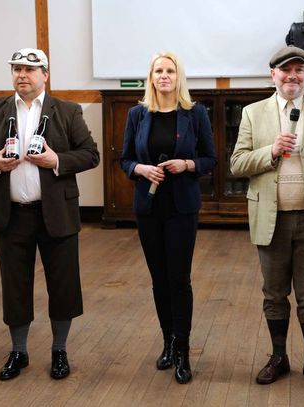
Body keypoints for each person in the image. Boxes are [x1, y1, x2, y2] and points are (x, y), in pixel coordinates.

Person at [0, 48, 99, 381]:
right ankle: (18, 351)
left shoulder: (67, 110)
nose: (21, 75)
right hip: (11, 215)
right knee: (15, 286)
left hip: (57, 213)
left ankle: (59, 350)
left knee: (64, 285)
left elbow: (90, 154)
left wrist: (57, 161)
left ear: (45, 74)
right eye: (16, 69)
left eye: (29, 69)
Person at [230, 46, 304, 391]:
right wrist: (271, 150)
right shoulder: (253, 113)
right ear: (274, 74)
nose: (292, 76)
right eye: (285, 70)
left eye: (299, 69)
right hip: (271, 219)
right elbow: (237, 164)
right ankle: (279, 357)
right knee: (274, 294)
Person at [120, 52, 216, 384]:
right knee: (159, 280)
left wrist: (186, 164)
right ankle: (168, 343)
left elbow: (210, 158)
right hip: (148, 209)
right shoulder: (137, 114)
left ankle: (184, 351)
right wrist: (140, 168)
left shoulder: (195, 113)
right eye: (158, 70)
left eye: (170, 71)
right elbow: (125, 159)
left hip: (181, 209)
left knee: (179, 280)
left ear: (179, 77)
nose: (164, 75)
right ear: (150, 77)